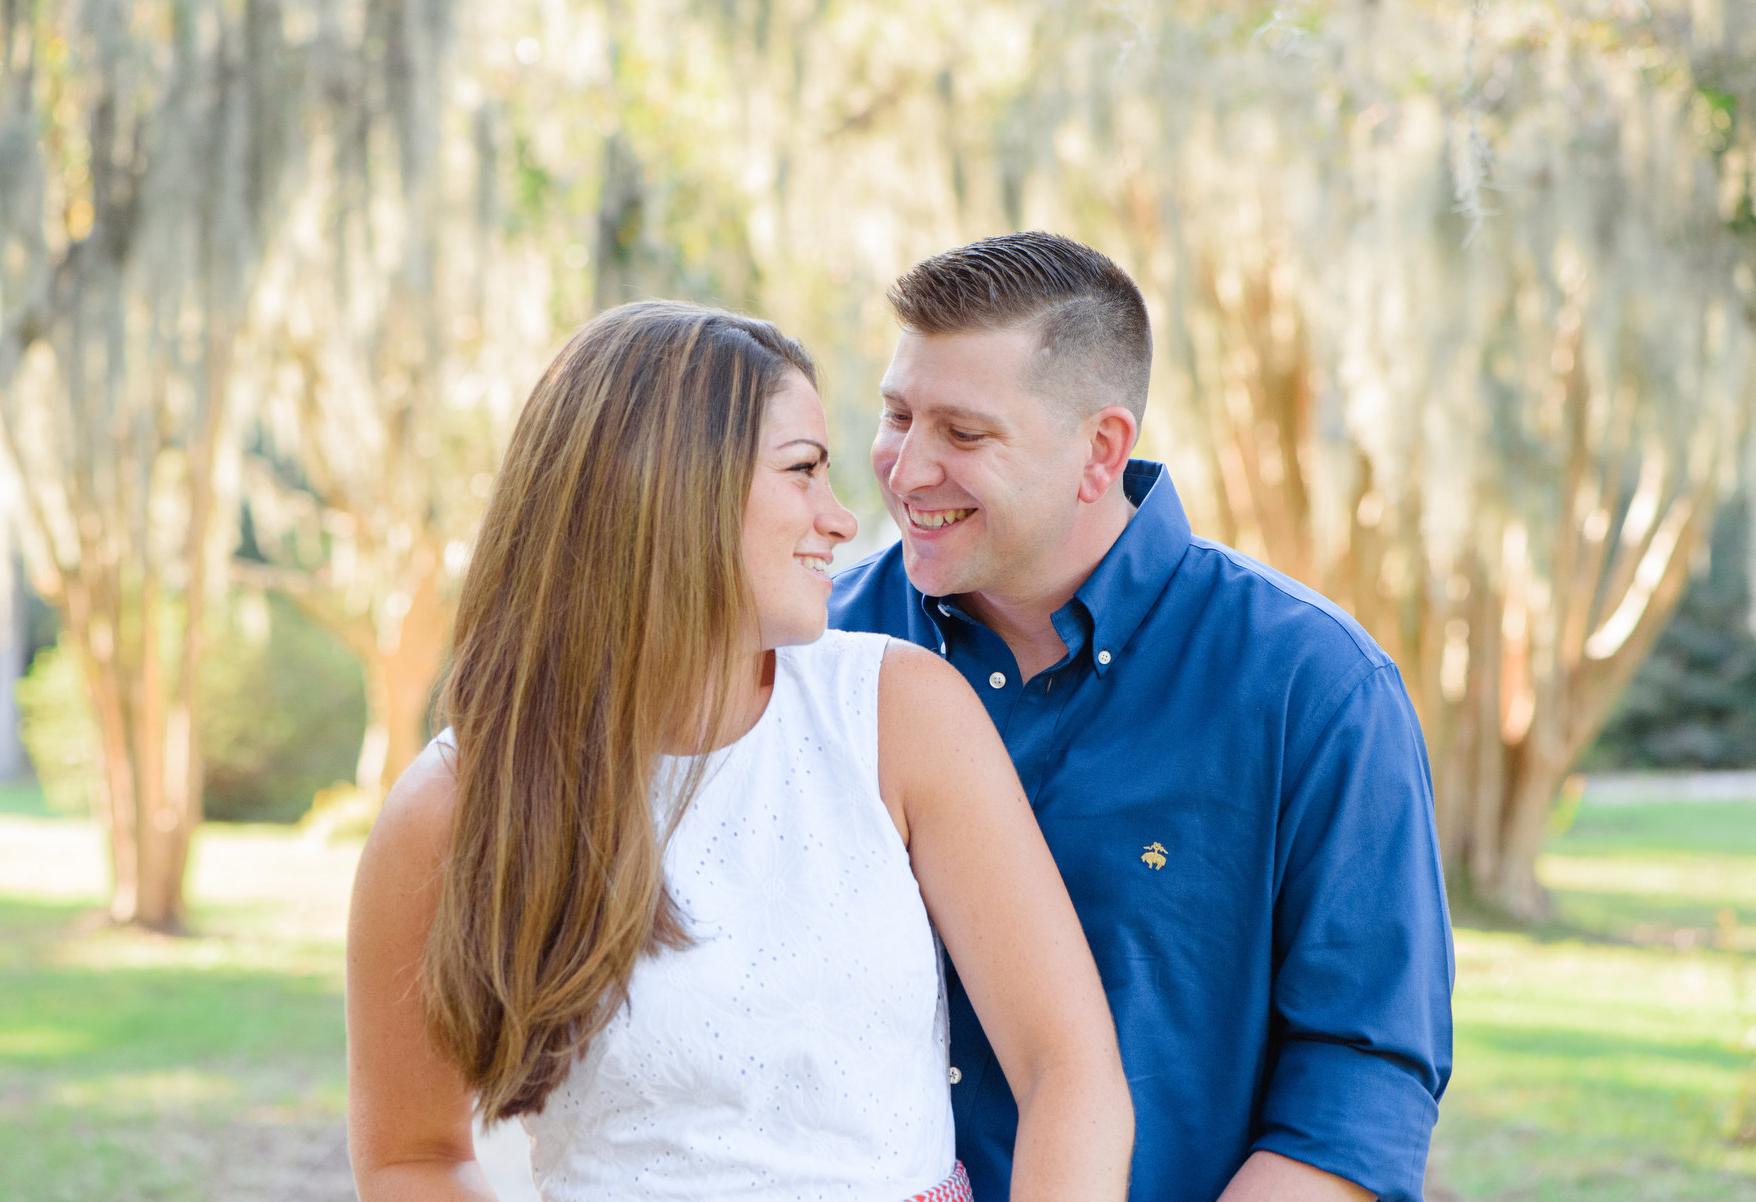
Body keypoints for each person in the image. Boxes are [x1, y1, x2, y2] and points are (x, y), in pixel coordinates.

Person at [344, 300, 1133, 1202]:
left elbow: (1069, 1072)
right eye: (803, 471)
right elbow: (410, 1155)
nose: (843, 520)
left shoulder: (900, 716)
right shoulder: (451, 805)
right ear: (669, 491)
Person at [829, 233, 1455, 1202]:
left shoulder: (1313, 686)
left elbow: (1361, 1076)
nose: (906, 470)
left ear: (1101, 448)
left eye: (963, 432)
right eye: (897, 414)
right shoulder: (809, 655)